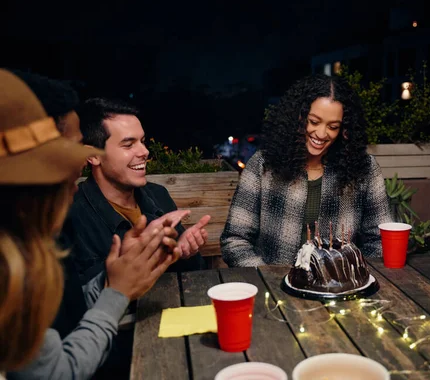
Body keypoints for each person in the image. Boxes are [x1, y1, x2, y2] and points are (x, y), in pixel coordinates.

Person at [6, 72, 185, 380]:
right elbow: (56, 372)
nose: (75, 174)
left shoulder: (28, 247)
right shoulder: (18, 260)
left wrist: (118, 275)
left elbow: (69, 309)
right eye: (72, 154)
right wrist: (117, 291)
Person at [221, 73, 393, 267]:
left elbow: (379, 240)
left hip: (339, 289)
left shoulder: (364, 169)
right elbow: (234, 240)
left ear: (345, 129)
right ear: (298, 116)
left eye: (333, 126)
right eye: (313, 121)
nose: (321, 133)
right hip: (274, 290)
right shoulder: (263, 164)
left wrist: (353, 278)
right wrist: (269, 278)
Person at [65, 97, 210, 283]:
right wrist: (134, 256)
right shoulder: (72, 215)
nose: (144, 151)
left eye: (142, 141)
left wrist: (183, 252)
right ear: (92, 156)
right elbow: (78, 296)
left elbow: (190, 277)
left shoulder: (158, 195)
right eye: (128, 144)